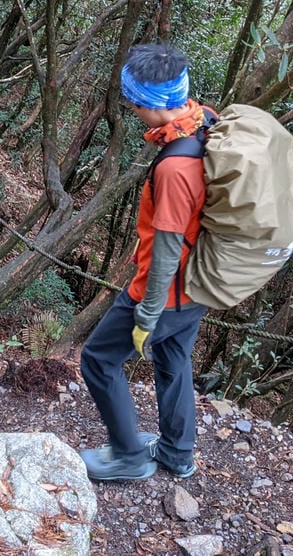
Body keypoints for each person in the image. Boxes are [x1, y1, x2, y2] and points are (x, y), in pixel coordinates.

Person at [79, 42, 215, 482]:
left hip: (166, 290)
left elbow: (166, 249)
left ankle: (129, 457)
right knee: (173, 357)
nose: (132, 108)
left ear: (146, 103)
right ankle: (176, 453)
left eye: (133, 101)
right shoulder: (205, 122)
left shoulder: (175, 169)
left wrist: (146, 313)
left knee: (99, 359)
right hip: (199, 283)